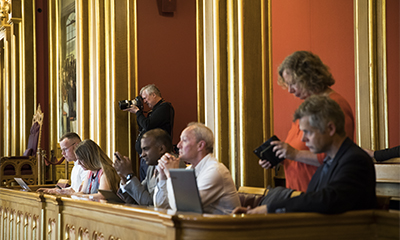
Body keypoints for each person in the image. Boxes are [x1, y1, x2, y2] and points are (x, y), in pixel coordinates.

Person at [234, 95, 376, 214]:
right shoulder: (329, 161)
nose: (303, 139)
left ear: (331, 128)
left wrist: (268, 209)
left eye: (308, 132)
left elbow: (326, 201)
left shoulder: (355, 160)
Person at [260, 51, 355, 192]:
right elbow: (296, 150)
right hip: (297, 193)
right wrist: (279, 157)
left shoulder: (336, 105)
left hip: (319, 195)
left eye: (293, 84)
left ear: (308, 78)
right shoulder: (305, 109)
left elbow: (336, 156)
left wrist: (294, 154)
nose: (290, 90)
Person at [156, 122, 241, 214]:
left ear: (200, 145)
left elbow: (183, 208)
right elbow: (161, 206)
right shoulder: (189, 170)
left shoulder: (215, 171)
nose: (178, 145)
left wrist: (171, 174)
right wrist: (163, 176)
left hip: (222, 228)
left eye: (184, 140)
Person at [113, 128, 184, 206]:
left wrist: (129, 174)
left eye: (146, 149)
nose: (142, 154)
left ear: (161, 149)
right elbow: (137, 198)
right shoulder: (152, 167)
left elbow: (150, 203)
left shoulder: (174, 165)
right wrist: (123, 177)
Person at [125, 84, 175, 181]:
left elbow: (148, 125)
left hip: (156, 156)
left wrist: (138, 112)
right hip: (146, 157)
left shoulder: (164, 107)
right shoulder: (154, 111)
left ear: (153, 95)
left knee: (151, 185)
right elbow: (143, 127)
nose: (144, 101)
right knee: (145, 183)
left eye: (145, 98)